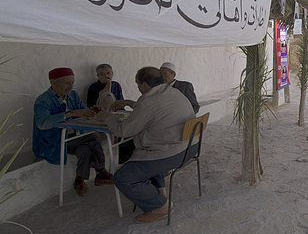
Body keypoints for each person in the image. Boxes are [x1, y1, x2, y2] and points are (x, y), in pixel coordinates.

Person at [96, 67, 195, 223]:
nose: (138, 87)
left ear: (143, 84)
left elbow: (124, 130)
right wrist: (129, 103)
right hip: (190, 146)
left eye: (137, 84)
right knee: (144, 152)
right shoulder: (173, 92)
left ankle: (160, 206)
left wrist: (108, 117)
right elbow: (154, 110)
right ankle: (159, 192)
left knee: (122, 177)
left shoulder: (148, 102)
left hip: (173, 153)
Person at [33, 67, 113, 196]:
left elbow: (82, 110)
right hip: (54, 140)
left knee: (85, 150)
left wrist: (92, 111)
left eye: (72, 83)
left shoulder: (72, 95)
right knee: (93, 136)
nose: (70, 86)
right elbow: (42, 123)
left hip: (72, 138)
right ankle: (100, 170)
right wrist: (70, 113)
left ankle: (79, 179)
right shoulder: (43, 100)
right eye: (67, 83)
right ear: (53, 83)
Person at [87, 63, 134, 163]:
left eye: (108, 73)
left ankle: (127, 162)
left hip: (118, 114)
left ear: (112, 74)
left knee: (131, 133)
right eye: (102, 74)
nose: (106, 76)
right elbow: (94, 106)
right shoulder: (93, 87)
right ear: (98, 76)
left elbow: (121, 103)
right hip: (103, 117)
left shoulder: (116, 85)